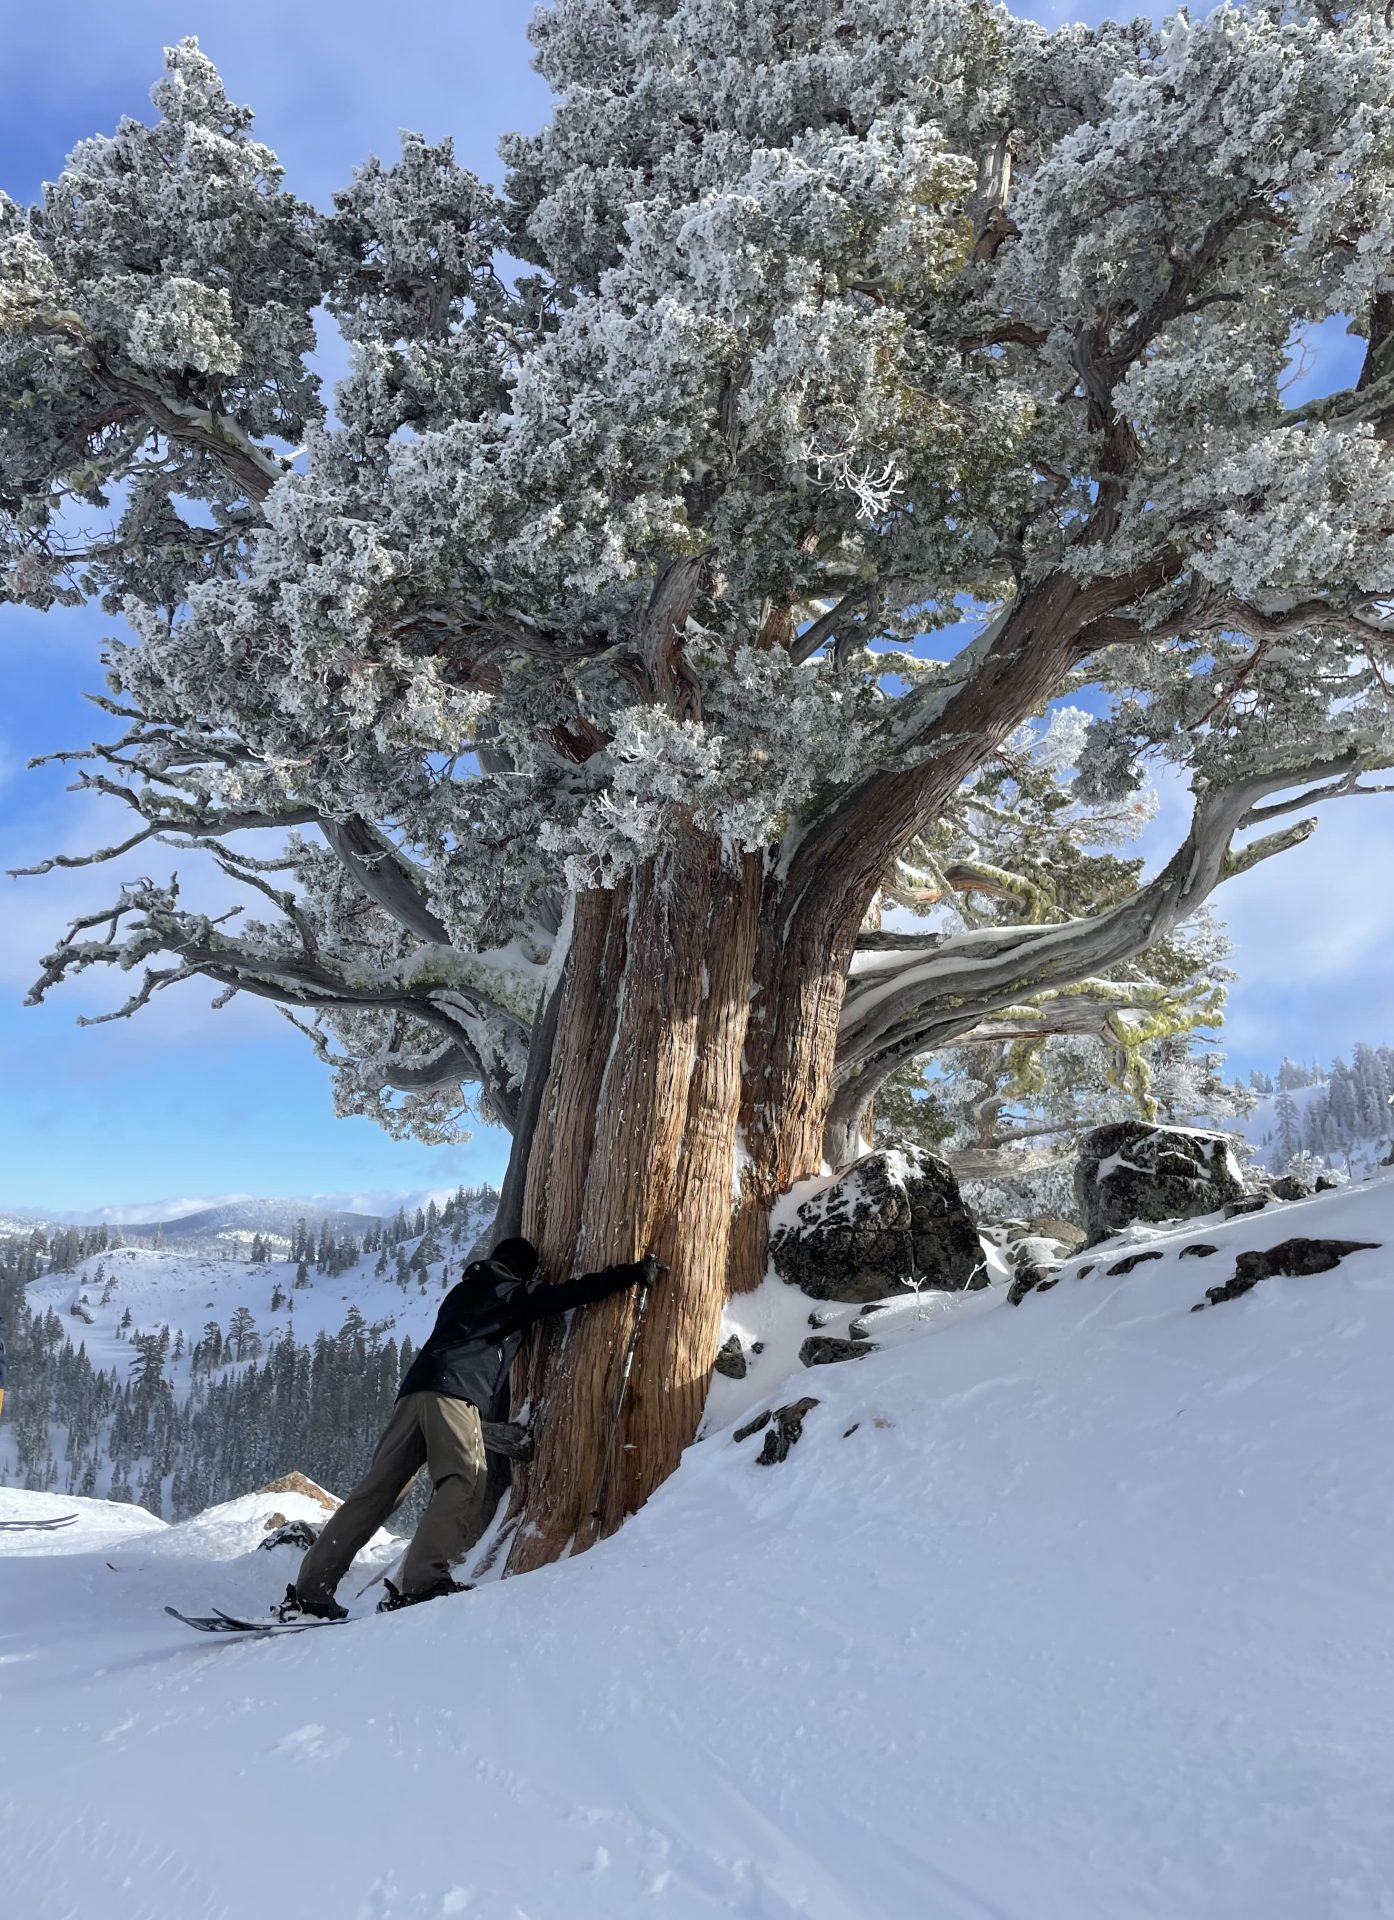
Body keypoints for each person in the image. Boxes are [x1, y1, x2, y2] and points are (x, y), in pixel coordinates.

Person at [279, 1235, 660, 1620]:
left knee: (377, 1491)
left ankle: (311, 1593)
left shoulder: (462, 1292)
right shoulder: (508, 1293)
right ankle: (421, 1583)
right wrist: (629, 1274)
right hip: (453, 1393)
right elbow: (566, 1295)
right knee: (466, 1480)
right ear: (523, 1270)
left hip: (412, 1393)